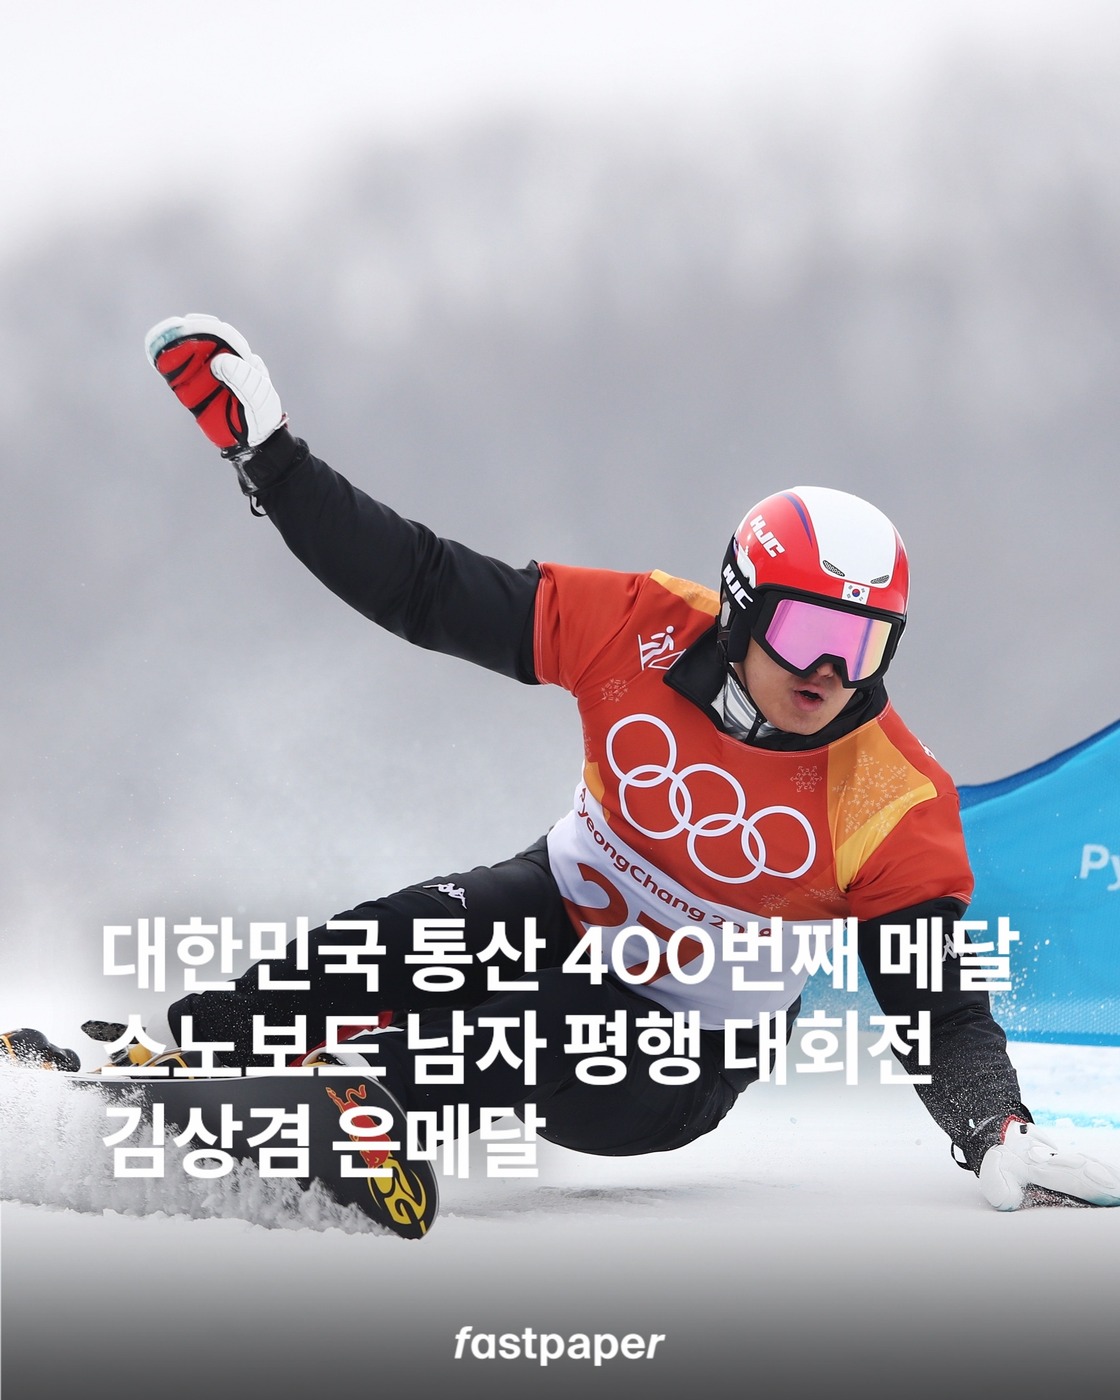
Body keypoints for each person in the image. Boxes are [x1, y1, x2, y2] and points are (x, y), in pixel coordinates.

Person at [8, 313, 1117, 1215]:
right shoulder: (635, 625)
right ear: (739, 607)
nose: (831, 672)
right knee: (388, 941)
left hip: (678, 1055)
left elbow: (937, 1009)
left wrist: (996, 1132)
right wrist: (275, 462)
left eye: (865, 645)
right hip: (559, 904)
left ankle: (365, 1108)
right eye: (806, 633)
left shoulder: (892, 797)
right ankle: (152, 1073)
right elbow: (422, 584)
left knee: (521, 1023)